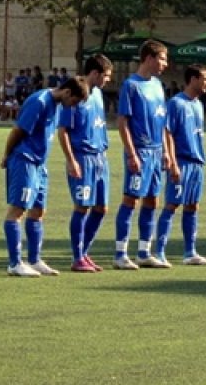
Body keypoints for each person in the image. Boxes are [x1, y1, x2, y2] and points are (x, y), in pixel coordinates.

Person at [1, 77, 88, 277]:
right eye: (73, 101)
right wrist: (7, 155)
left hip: (39, 164)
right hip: (25, 160)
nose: (72, 106)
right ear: (67, 93)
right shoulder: (39, 102)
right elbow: (17, 131)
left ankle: (34, 259)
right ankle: (15, 263)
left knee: (38, 211)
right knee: (18, 210)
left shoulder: (57, 104)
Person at [113, 40, 171, 270]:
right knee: (131, 199)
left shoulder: (157, 85)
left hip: (157, 152)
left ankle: (144, 252)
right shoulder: (131, 85)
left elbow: (163, 122)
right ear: (149, 58)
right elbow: (122, 122)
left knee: (152, 200)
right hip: (140, 152)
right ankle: (120, 254)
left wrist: (166, 152)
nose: (165, 64)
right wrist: (131, 153)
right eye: (163, 59)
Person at [153, 65, 206, 266]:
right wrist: (171, 161)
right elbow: (167, 132)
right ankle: (160, 252)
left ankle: (190, 252)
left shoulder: (198, 104)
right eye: (205, 79)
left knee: (192, 206)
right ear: (193, 79)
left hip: (197, 163)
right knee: (172, 205)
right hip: (181, 161)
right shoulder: (176, 103)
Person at [57, 54, 113, 273]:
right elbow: (63, 131)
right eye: (106, 76)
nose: (107, 80)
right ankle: (77, 256)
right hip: (82, 157)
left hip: (100, 157)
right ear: (95, 73)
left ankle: (84, 252)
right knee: (82, 206)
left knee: (101, 208)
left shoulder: (98, 94)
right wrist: (71, 161)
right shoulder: (75, 94)